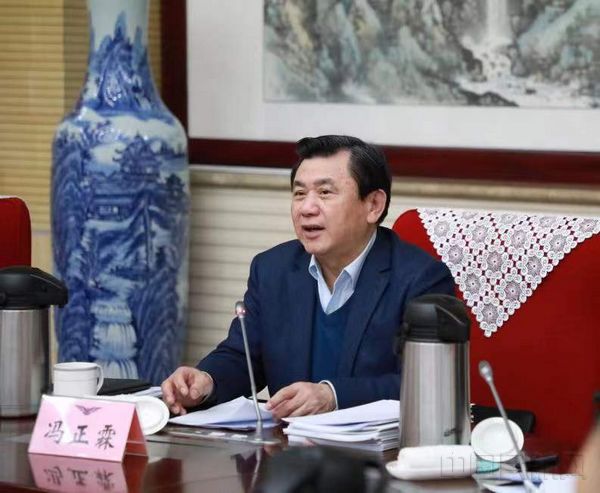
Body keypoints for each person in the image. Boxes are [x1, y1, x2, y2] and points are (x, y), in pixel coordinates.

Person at [161, 135, 454, 419]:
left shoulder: (420, 278)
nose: (306, 208)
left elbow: (427, 384)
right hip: (288, 446)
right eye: (299, 194)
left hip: (376, 448)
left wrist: (332, 395)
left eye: (325, 193)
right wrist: (206, 381)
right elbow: (244, 357)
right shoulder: (272, 269)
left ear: (373, 205)